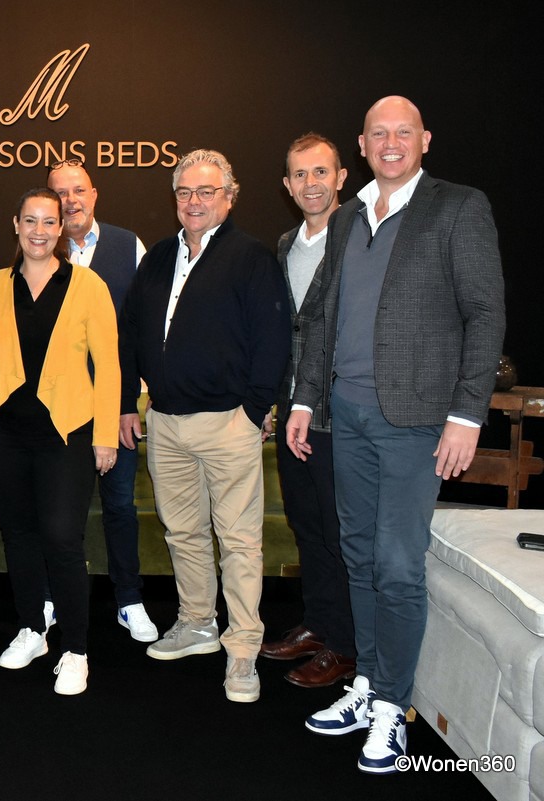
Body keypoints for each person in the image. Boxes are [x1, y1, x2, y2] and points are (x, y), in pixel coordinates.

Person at [288, 96, 504, 773]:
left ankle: (392, 706)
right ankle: (368, 681)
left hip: (416, 423)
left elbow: (485, 313)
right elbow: (320, 317)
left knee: (398, 564)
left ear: (424, 140)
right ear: (361, 145)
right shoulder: (348, 217)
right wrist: (305, 399)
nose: (390, 142)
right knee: (357, 555)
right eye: (378, 133)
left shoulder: (458, 208)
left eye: (402, 132)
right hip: (345, 415)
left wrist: (467, 414)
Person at [119, 149, 289, 703]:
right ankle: (197, 623)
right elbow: (130, 332)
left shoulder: (251, 258)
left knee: (239, 542)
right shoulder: (158, 257)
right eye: (185, 192)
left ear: (230, 197)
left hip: (228, 425)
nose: (194, 201)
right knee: (183, 533)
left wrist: (253, 411)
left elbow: (273, 339)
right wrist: (126, 404)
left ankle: (242, 650)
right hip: (165, 424)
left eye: (207, 191)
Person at [0, 187, 120, 696]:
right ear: (16, 224)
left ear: (62, 227)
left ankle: (76, 650)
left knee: (62, 539)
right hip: (3, 435)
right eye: (30, 221)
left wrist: (106, 435)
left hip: (66, 435)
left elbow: (109, 365)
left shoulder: (88, 286)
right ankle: (32, 629)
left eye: (50, 222)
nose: (40, 231)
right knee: (19, 537)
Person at [260, 134, 357, 688]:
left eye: (321, 172)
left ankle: (346, 645)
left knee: (341, 532)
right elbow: (285, 330)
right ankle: (320, 625)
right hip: (291, 412)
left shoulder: (361, 238)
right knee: (308, 526)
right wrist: (275, 401)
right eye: (300, 174)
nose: (311, 183)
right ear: (287, 185)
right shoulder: (284, 245)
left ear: (341, 177)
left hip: (340, 414)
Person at [46, 158, 156, 643]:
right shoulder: (39, 249)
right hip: (56, 410)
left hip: (115, 407)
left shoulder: (128, 246)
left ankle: (129, 599)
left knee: (120, 507)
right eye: (60, 193)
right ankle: (51, 599)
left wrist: (130, 402)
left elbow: (140, 331)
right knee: (56, 509)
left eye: (78, 190)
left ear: (94, 195)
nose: (70, 200)